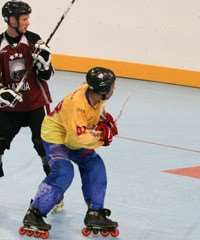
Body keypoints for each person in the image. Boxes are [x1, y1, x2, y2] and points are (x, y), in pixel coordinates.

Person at [19, 67, 119, 238]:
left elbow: (93, 113)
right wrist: (102, 137)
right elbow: (75, 141)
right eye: (112, 86)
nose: (114, 89)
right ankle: (34, 213)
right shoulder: (76, 105)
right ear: (103, 91)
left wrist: (103, 119)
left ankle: (95, 213)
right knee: (64, 171)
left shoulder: (95, 95)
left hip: (71, 134)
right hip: (55, 138)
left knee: (95, 164)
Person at [0, 0, 53, 177]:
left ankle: (53, 188)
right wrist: (1, 92)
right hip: (9, 107)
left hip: (34, 104)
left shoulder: (33, 39)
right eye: (24, 18)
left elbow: (45, 76)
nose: (27, 22)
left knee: (43, 145)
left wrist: (45, 63)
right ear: (11, 20)